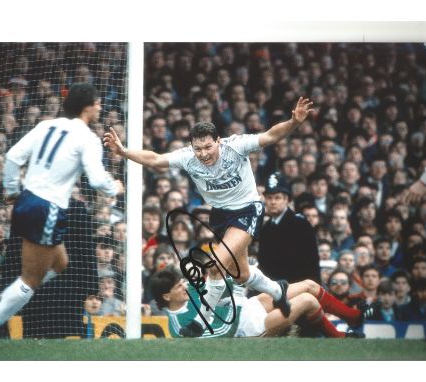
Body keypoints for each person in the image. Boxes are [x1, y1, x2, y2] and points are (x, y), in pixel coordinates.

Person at [105, 97, 315, 337]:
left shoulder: (236, 145)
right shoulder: (187, 157)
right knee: (242, 274)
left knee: (216, 265)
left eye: (208, 147)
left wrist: (293, 122)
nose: (203, 153)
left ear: (218, 141)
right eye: (198, 148)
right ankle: (279, 292)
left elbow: (270, 136)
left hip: (248, 209)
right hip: (221, 215)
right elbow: (155, 159)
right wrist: (123, 152)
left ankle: (200, 320)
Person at [0, 83, 120, 339]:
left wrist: (11, 191)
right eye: (98, 102)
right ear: (87, 106)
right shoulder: (87, 137)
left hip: (26, 201)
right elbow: (98, 181)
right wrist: (115, 187)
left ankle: (7, 296)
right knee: (31, 279)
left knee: (61, 263)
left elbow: (12, 156)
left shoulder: (46, 125)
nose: (100, 107)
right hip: (48, 208)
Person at [149, 266, 370, 338]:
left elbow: (221, 289)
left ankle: (354, 317)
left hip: (247, 308)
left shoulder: (193, 293)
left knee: (309, 284)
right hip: (247, 329)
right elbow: (222, 334)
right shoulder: (179, 325)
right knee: (307, 300)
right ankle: (339, 338)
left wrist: (235, 275)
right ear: (166, 297)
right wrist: (236, 296)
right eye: (179, 286)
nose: (185, 286)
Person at [257, 171, 320, 284]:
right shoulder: (266, 228)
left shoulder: (300, 224)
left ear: (287, 200)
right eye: (269, 198)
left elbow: (309, 263)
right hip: (273, 289)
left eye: (277, 198)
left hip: (298, 287)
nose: (272, 202)